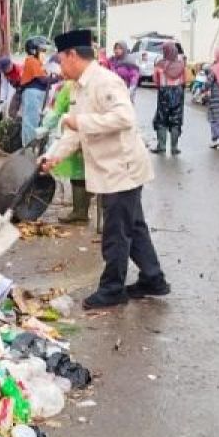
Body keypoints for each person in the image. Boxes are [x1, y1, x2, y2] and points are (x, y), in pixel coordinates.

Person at [41, 28, 169, 309]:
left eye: (61, 60)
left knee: (116, 232)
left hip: (121, 169)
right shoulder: (76, 87)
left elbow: (124, 117)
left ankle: (112, 289)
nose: (60, 67)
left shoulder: (105, 81)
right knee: (133, 227)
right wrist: (53, 157)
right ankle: (153, 278)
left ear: (73, 55)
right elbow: (74, 133)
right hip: (108, 168)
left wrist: (82, 123)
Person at [36, 58, 89, 224]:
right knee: (86, 173)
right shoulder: (79, 84)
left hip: (73, 134)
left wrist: (44, 127)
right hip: (87, 135)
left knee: (78, 174)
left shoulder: (67, 87)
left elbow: (56, 112)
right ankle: (84, 209)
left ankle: (80, 212)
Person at [150, 41, 187, 155]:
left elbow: (155, 80)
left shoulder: (160, 64)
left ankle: (161, 146)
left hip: (164, 93)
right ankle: (174, 148)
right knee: (176, 120)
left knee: (161, 119)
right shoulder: (181, 64)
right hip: (178, 93)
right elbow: (185, 80)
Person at [19, 36, 51, 147]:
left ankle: (36, 148)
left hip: (37, 94)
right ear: (34, 50)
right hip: (32, 93)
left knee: (38, 122)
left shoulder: (38, 63)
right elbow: (42, 79)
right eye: (42, 51)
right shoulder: (32, 61)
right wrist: (58, 77)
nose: (44, 53)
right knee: (31, 122)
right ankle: (29, 147)